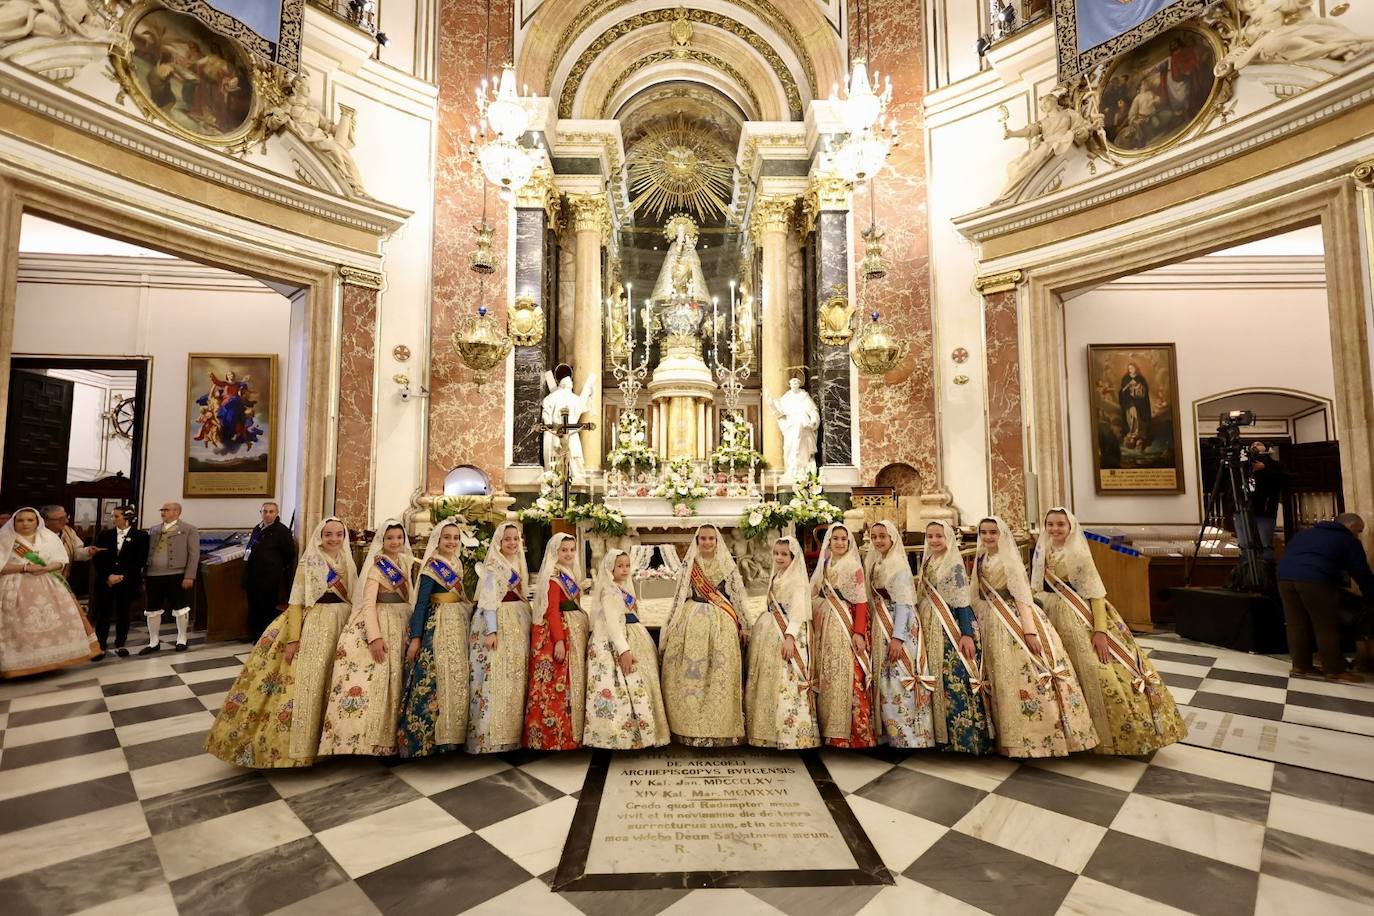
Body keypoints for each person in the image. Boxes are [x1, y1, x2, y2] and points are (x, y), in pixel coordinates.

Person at [1032, 507, 1186, 754]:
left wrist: (1100, 631)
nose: (1054, 529)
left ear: (1070, 526)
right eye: (1050, 524)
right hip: (1050, 613)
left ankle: (1114, 736)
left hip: (1079, 616)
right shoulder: (1042, 551)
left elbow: (1096, 595)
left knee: (1096, 671)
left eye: (1060, 524)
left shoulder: (1079, 554)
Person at [206, 517, 357, 767]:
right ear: (320, 536)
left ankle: (331, 742)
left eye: (339, 534)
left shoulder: (348, 561)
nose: (333, 539)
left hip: (340, 622)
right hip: (314, 623)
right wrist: (293, 639)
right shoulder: (309, 562)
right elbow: (296, 602)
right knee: (305, 682)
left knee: (333, 681)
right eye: (328, 534)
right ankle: (294, 747)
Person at [973, 517, 1097, 758]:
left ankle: (1037, 741)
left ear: (1003, 535)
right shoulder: (980, 558)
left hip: (1013, 621)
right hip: (989, 618)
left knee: (1020, 677)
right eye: (984, 532)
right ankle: (1005, 737)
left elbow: (1022, 597)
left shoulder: (1010, 560)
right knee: (998, 675)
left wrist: (1029, 631)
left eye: (993, 532)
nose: (988, 537)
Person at [318, 520, 414, 756]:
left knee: (397, 681)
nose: (395, 542)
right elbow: (368, 605)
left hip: (401, 622)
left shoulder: (403, 562)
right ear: (382, 541)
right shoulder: (376, 567)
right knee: (380, 682)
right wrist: (374, 637)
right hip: (381, 623)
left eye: (399, 538)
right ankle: (370, 741)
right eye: (390, 538)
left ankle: (393, 737)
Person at [659, 524, 748, 747]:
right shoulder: (690, 565)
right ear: (697, 541)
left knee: (719, 674)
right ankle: (687, 729)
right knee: (691, 677)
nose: (707, 543)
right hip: (691, 622)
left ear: (717, 541)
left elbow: (736, 598)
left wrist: (744, 624)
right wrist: (670, 625)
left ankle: (720, 730)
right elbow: (680, 597)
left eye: (711, 539)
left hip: (721, 623)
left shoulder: (727, 565)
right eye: (703, 539)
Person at [917, 521, 995, 755]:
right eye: (930, 536)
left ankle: (966, 738)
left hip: (951, 628)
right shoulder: (929, 560)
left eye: (938, 536)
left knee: (956, 680)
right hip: (931, 623)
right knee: (937, 678)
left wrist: (966, 635)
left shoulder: (954, 564)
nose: (933, 541)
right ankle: (942, 735)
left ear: (948, 538)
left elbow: (962, 601)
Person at [397, 521, 471, 757]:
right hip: (437, 625)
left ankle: (454, 737)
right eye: (446, 537)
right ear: (437, 540)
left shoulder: (457, 563)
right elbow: (420, 604)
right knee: (434, 679)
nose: (451, 542)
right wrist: (416, 638)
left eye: (455, 538)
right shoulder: (432, 566)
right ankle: (429, 740)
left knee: (456, 678)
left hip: (458, 625)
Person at [584, 549, 671, 749]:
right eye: (620, 566)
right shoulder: (609, 591)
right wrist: (624, 650)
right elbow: (613, 624)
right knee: (625, 684)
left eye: (627, 565)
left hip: (634, 635)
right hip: (618, 644)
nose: (624, 569)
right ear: (610, 568)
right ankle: (620, 734)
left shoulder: (622, 587)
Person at [0, 507, 99, 677]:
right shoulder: (5, 538)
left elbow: (60, 561)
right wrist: (24, 567)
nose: (25, 523)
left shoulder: (49, 537)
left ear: (38, 521)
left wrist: (47, 567)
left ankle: (49, 661)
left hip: (48, 584)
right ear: (14, 522)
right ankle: (19, 664)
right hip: (13, 588)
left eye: (30, 520)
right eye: (21, 520)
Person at [1277, 512, 1374, 683]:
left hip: (1284, 578)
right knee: (1325, 624)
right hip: (1315, 580)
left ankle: (1301, 665)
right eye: (1358, 531)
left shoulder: (1304, 534)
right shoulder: (1348, 541)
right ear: (1351, 527)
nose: (1358, 534)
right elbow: (1361, 573)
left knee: (1295, 623)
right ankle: (1334, 669)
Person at [866, 520, 935, 749]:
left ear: (892, 538)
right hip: (882, 621)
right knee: (886, 680)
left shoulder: (898, 564)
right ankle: (892, 732)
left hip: (900, 625)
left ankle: (911, 736)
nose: (878, 541)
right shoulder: (877, 560)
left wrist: (897, 638)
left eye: (882, 536)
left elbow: (905, 604)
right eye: (874, 536)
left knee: (900, 676)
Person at [745, 537, 819, 749]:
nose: (779, 557)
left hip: (788, 633)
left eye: (784, 554)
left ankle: (792, 735)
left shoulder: (796, 580)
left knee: (787, 681)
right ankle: (766, 732)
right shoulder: (777, 574)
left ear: (793, 557)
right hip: (770, 631)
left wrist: (790, 638)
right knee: (768, 681)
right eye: (776, 553)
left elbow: (798, 613)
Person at [467, 521, 532, 753]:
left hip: (518, 621)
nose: (512, 543)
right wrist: (492, 631)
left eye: (516, 539)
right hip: (499, 623)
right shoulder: (494, 566)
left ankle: (513, 733)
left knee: (515, 678)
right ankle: (491, 737)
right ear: (499, 542)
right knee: (496, 676)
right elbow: (489, 601)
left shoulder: (518, 562)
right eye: (508, 539)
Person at [811, 523, 876, 748]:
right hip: (826, 625)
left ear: (849, 543)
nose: (839, 543)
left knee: (846, 673)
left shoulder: (852, 566)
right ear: (828, 542)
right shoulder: (826, 563)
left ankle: (850, 735)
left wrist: (858, 632)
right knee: (828, 672)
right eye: (835, 539)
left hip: (844, 623)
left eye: (843, 539)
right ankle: (829, 729)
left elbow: (861, 602)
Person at [523, 532, 589, 750]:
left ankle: (572, 735)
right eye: (564, 550)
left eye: (572, 550)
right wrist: (559, 641)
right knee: (558, 685)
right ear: (555, 552)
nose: (569, 554)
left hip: (572, 629)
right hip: (558, 632)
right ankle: (556, 738)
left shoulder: (569, 572)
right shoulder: (553, 577)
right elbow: (551, 611)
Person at [91, 505, 149, 659]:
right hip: (106, 581)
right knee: (103, 614)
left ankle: (120, 644)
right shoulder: (105, 534)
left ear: (127, 518)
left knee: (123, 613)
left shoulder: (141, 536)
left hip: (127, 581)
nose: (113, 519)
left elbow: (140, 560)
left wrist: (122, 576)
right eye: (113, 516)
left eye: (116, 516)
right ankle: (101, 646)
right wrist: (108, 576)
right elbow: (98, 558)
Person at [142, 502, 199, 653]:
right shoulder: (154, 529)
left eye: (166, 510)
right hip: (153, 575)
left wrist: (189, 576)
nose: (162, 512)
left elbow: (194, 555)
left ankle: (182, 638)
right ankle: (153, 641)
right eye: (162, 509)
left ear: (177, 512)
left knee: (180, 608)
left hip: (177, 575)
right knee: (152, 609)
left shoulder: (189, 529)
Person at [242, 501, 297, 641]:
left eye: (271, 512)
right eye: (265, 511)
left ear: (277, 513)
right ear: (260, 513)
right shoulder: (257, 528)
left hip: (269, 577)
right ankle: (255, 634)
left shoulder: (282, 531)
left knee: (267, 608)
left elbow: (290, 552)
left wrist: (275, 565)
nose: (267, 514)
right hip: (252, 576)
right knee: (254, 607)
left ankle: (265, 638)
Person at [1239, 441, 1284, 560]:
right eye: (1252, 445)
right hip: (1243, 510)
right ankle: (1248, 573)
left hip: (1264, 511)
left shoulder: (1274, 465)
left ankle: (1266, 574)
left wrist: (1265, 468)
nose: (1254, 446)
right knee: (1245, 546)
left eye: (1258, 444)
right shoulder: (1242, 464)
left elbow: (1284, 479)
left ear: (1266, 448)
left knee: (1265, 546)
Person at [41, 504, 101, 576]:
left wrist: (88, 551)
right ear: (45, 521)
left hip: (62, 579)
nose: (66, 521)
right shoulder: (35, 535)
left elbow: (75, 552)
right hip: (39, 579)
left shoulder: (68, 531)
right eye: (61, 519)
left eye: (66, 517)